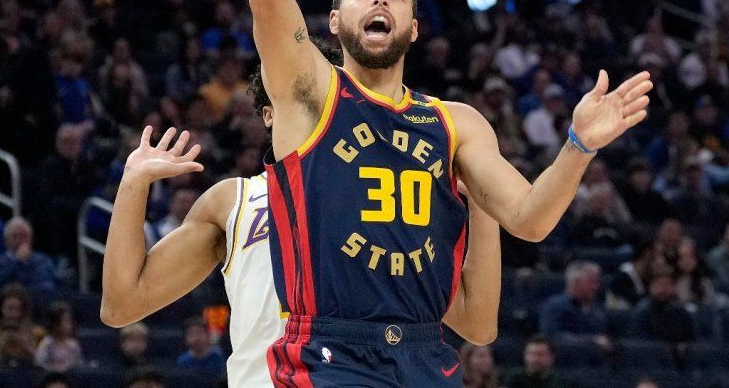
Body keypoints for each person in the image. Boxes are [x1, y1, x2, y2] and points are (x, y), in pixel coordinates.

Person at [245, 0, 650, 385]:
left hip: (425, 356)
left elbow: (529, 219)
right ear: (333, 22)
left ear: (414, 27)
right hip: (328, 353)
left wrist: (578, 145)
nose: (380, 1)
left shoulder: (455, 123)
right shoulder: (310, 91)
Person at [101, 41, 504, 387]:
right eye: (303, 104)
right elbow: (122, 305)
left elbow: (477, 324)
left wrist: (483, 202)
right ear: (269, 113)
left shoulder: (391, 196)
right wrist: (133, 183)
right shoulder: (234, 200)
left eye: (327, 107)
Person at [539, 262, 609, 348]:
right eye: (592, 282)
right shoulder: (554, 306)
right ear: (576, 282)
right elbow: (552, 337)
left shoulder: (597, 308)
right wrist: (591, 340)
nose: (596, 287)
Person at [0, 283, 46, 366]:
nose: (13, 314)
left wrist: (24, 344)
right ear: (1, 309)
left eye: (17, 309)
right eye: (9, 309)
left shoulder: (38, 333)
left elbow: (45, 365)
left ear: (24, 311)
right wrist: (1, 345)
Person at [629, 266, 695, 343]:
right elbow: (640, 346)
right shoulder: (642, 312)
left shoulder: (680, 312)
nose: (665, 289)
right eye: (661, 284)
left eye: (669, 285)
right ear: (651, 286)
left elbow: (691, 340)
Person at [0, 217, 56, 291]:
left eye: (23, 236)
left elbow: (46, 284)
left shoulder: (43, 261)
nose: (19, 240)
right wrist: (18, 262)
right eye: (15, 236)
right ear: (6, 240)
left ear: (31, 239)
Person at [34, 301, 83, 372]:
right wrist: (54, 368)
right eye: (66, 321)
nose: (70, 324)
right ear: (55, 324)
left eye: (70, 321)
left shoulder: (73, 344)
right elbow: (39, 363)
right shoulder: (47, 343)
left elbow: (78, 364)